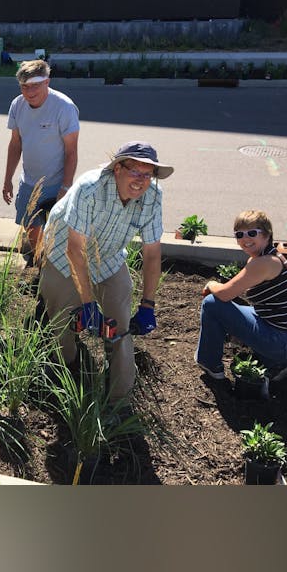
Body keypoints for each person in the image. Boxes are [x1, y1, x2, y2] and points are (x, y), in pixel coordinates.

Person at [39, 141, 174, 402]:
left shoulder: (153, 196)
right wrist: (88, 303)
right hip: (62, 253)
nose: (141, 180)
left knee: (120, 323)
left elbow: (152, 253)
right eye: (135, 171)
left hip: (108, 256)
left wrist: (148, 304)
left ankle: (118, 398)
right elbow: (75, 249)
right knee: (61, 316)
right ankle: (68, 368)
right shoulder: (90, 188)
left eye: (147, 174)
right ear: (117, 169)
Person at [195, 210, 287, 382]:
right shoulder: (268, 257)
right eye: (239, 234)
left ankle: (210, 364)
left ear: (267, 235)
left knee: (212, 303)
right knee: (235, 310)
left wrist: (211, 284)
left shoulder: (263, 263)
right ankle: (276, 362)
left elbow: (224, 294)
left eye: (252, 233)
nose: (245, 239)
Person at [2, 59, 79, 257]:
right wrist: (7, 179)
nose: (29, 92)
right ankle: (39, 260)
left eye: (35, 85)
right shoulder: (17, 105)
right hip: (28, 181)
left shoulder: (64, 107)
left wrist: (66, 187)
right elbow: (15, 144)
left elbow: (71, 151)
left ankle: (53, 264)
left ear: (47, 82)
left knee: (57, 231)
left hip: (56, 183)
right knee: (31, 227)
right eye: (24, 87)